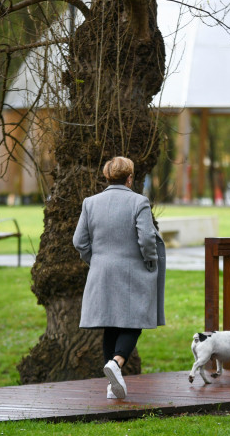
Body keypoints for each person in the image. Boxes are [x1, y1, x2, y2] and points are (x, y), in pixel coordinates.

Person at [72, 156, 166, 400]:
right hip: (132, 271)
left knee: (111, 325)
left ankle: (111, 386)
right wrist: (150, 260)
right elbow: (146, 239)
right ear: (130, 177)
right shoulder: (139, 201)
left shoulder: (90, 203)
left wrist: (95, 261)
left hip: (101, 272)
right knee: (135, 320)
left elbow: (78, 241)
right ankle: (116, 361)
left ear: (106, 176)